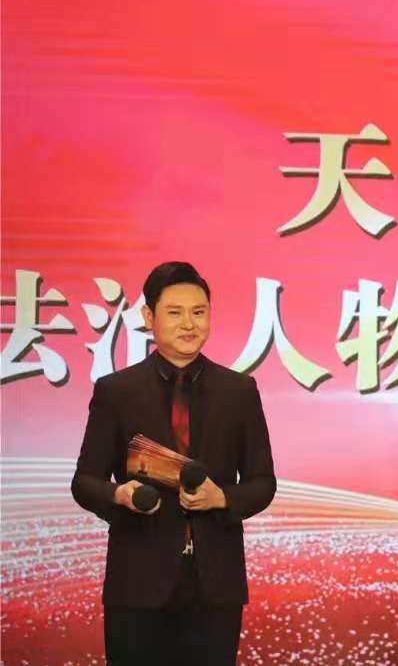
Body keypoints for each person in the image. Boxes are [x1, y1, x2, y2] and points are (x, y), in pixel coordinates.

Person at [71, 262, 276, 665]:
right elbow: (85, 481)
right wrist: (119, 494)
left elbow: (262, 482)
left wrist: (222, 498)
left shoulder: (239, 391)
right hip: (137, 583)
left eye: (199, 312)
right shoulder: (116, 391)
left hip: (215, 586)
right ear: (149, 317)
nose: (189, 324)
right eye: (175, 312)